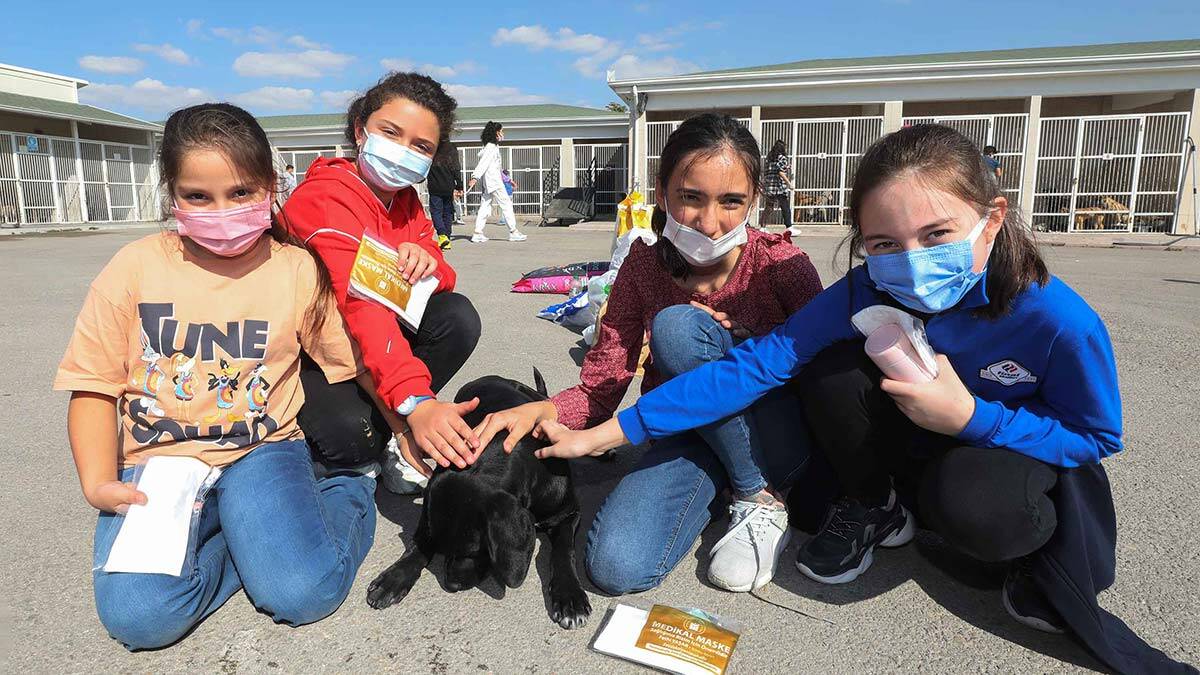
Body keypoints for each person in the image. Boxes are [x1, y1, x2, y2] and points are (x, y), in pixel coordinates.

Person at [527, 124, 1198, 673]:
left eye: (936, 235)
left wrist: (974, 417)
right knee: (828, 366)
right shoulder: (864, 289)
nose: (910, 261)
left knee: (979, 509)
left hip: (992, 448)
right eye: (883, 243)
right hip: (899, 439)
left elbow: (1096, 436)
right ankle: (878, 507)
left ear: (992, 219)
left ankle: (1019, 564)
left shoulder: (1058, 319)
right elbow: (754, 367)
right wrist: (602, 433)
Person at [53, 103, 376, 650]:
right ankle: (248, 539)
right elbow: (93, 385)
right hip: (158, 461)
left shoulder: (295, 268)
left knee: (304, 593)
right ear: (171, 194)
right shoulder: (133, 267)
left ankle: (348, 489)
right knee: (141, 618)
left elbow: (356, 363)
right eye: (198, 196)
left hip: (262, 450)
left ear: (270, 186)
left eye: (241, 192)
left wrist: (409, 422)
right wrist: (97, 481)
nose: (221, 211)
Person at [473, 113, 828, 594]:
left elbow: (827, 374)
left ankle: (756, 495)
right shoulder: (642, 266)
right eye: (690, 198)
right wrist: (544, 409)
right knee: (616, 566)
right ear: (661, 194)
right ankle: (727, 482)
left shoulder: (781, 264)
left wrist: (754, 344)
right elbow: (602, 384)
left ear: (754, 201)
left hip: (771, 430)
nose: (709, 223)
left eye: (731, 202)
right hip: (685, 430)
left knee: (677, 328)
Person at [283, 72, 483, 495]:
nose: (403, 151)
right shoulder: (326, 199)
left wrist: (428, 260)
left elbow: (443, 275)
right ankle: (366, 437)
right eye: (390, 132)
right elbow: (362, 306)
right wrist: (415, 406)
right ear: (360, 131)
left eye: (421, 146)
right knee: (351, 437)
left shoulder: (406, 201)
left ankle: (392, 428)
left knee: (457, 316)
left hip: (372, 340)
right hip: (316, 351)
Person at [467, 121, 526, 243]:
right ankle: (513, 232)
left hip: (490, 182)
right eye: (501, 131)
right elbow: (483, 164)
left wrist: (508, 180)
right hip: (494, 182)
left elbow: (496, 168)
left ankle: (477, 233)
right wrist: (475, 177)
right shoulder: (491, 147)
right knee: (506, 204)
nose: (503, 134)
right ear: (496, 133)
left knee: (485, 206)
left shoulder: (490, 147)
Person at [427, 142, 462, 250]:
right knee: (448, 212)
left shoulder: (432, 148)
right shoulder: (451, 149)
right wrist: (459, 185)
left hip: (434, 187)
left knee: (436, 212)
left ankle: (442, 235)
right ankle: (447, 238)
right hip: (448, 187)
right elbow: (456, 168)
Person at [761, 140, 793, 231]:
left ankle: (763, 227)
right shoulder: (782, 157)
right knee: (785, 207)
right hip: (779, 187)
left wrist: (786, 167)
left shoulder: (769, 158)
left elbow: (770, 170)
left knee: (769, 207)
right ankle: (789, 227)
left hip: (770, 186)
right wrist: (789, 184)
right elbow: (780, 172)